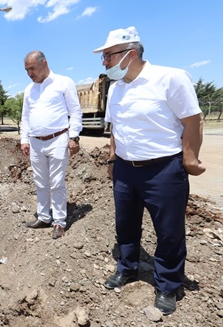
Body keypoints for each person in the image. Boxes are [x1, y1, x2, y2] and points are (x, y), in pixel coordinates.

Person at [94, 26, 205, 315]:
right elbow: (115, 128)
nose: (104, 62)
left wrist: (190, 158)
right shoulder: (116, 88)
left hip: (163, 171)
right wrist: (112, 159)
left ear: (130, 54)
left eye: (107, 56)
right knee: (125, 225)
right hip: (125, 171)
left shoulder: (170, 78)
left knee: (169, 231)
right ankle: (127, 268)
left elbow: (193, 120)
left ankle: (168, 284)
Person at [20, 51, 83, 239]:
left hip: (58, 140)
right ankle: (44, 217)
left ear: (44, 63)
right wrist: (24, 139)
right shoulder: (29, 90)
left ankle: (59, 222)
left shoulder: (63, 83)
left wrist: (74, 137)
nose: (29, 73)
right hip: (35, 142)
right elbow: (25, 117)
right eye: (26, 70)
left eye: (32, 68)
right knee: (40, 182)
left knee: (56, 183)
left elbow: (76, 112)